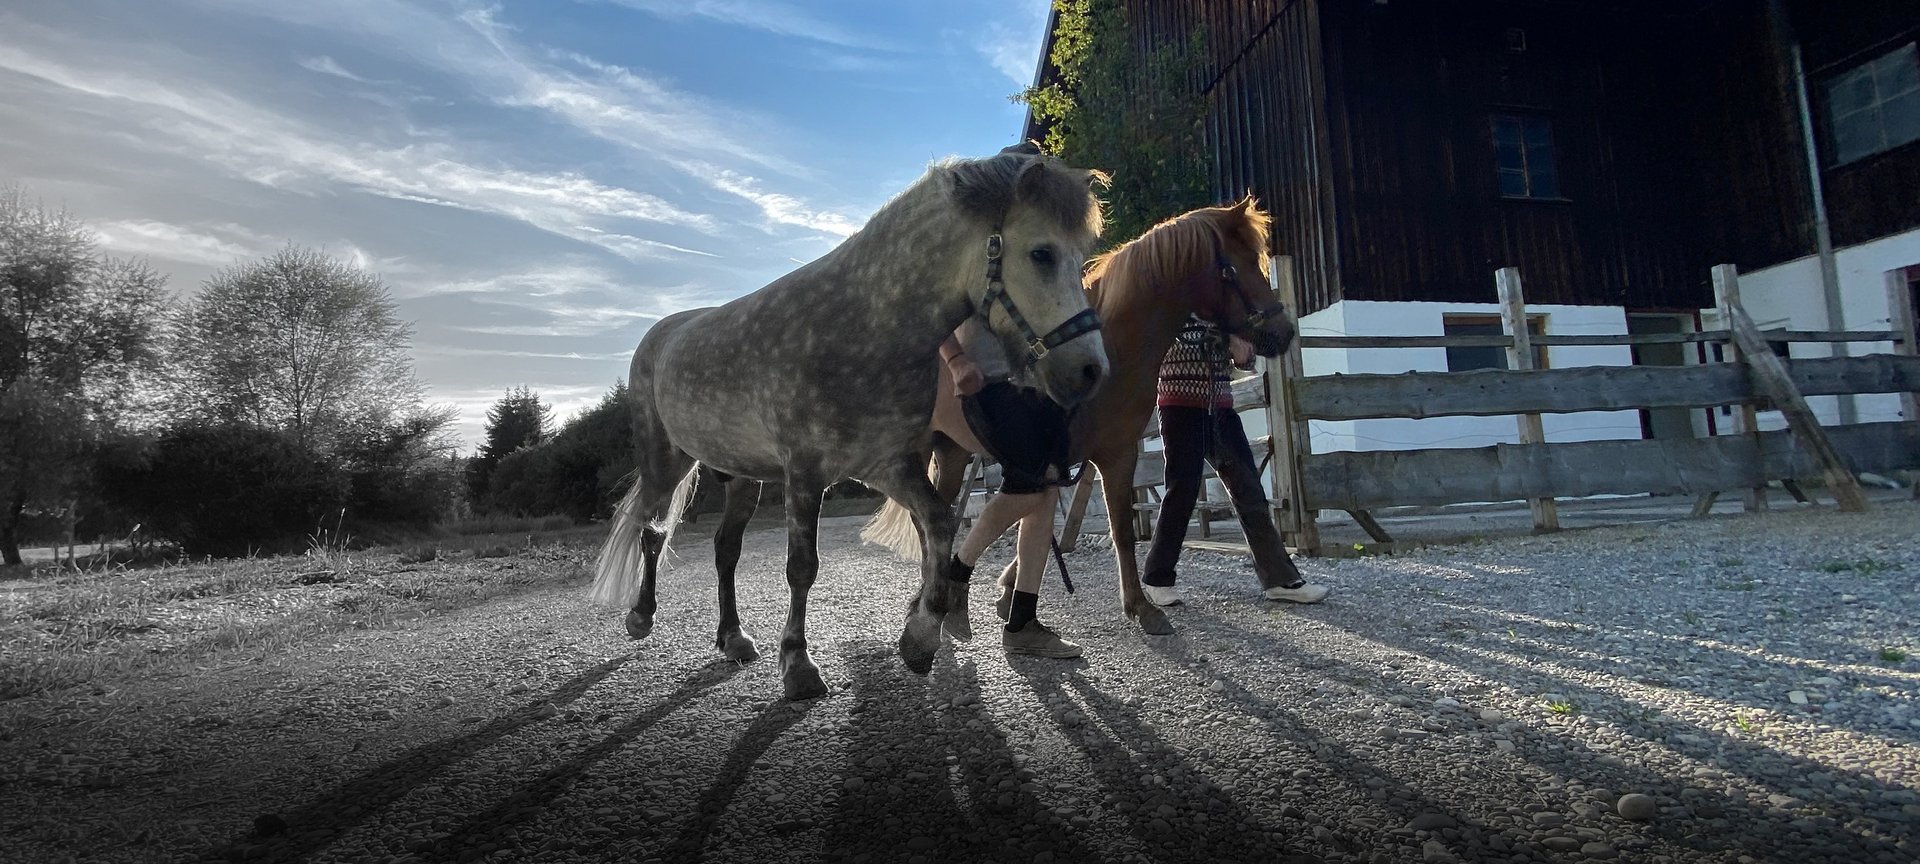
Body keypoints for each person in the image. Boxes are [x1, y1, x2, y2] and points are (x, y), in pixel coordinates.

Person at [1141, 316, 1330, 607]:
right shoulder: (1174, 297)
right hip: (1180, 405)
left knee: (1249, 488)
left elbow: (1248, 356)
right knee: (1182, 490)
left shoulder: (1222, 304)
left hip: (1220, 407)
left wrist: (1240, 346)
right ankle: (1157, 578)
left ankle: (1280, 581)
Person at [937, 317, 1083, 658]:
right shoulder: (975, 262)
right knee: (1028, 488)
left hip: (1042, 384)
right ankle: (955, 574)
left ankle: (1022, 624)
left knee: (1046, 491)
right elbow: (935, 308)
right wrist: (956, 360)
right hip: (992, 379)